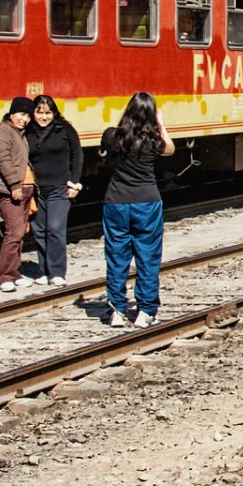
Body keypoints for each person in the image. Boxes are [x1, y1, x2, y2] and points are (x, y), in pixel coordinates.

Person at [102, 93, 174, 327]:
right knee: (147, 258)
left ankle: (117, 310)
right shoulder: (154, 141)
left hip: (116, 203)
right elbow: (170, 150)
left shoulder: (112, 136)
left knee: (117, 257)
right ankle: (145, 311)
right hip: (146, 203)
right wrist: (161, 124)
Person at [25, 94, 83, 287]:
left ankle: (57, 272)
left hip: (60, 187)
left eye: (48, 113)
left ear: (54, 113)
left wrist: (74, 182)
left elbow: (78, 155)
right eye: (39, 112)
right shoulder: (28, 132)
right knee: (39, 230)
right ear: (33, 113)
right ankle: (44, 271)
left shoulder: (65, 130)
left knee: (55, 228)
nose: (44, 117)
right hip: (37, 189)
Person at [0, 97, 36, 292]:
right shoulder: (3, 132)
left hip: (25, 188)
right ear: (12, 113)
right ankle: (4, 277)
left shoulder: (19, 133)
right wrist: (15, 185)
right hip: (11, 189)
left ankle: (14, 273)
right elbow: (3, 160)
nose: (24, 119)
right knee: (14, 232)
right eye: (21, 114)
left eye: (27, 116)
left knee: (20, 233)